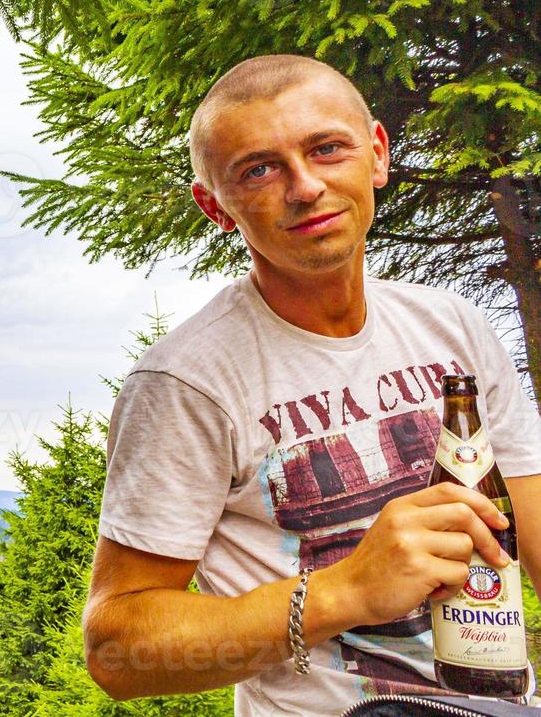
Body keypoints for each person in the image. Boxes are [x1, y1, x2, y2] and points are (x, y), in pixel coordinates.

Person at [83, 54, 541, 715]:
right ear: (215, 206)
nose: (304, 187)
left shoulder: (451, 328)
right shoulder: (186, 382)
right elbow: (117, 650)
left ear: (376, 155)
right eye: (259, 169)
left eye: (327, 149)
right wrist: (344, 592)